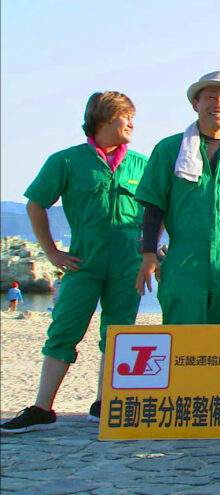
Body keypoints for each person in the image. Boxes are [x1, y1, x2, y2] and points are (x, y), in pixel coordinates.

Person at [1, 91, 147, 433]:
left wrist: (152, 254)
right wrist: (51, 251)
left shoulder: (143, 164)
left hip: (128, 264)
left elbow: (160, 209)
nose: (132, 124)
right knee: (64, 330)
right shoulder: (65, 161)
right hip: (83, 262)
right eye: (127, 117)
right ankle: (42, 408)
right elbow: (36, 204)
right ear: (106, 118)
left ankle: (105, 403)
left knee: (119, 333)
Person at [135, 71, 220, 324]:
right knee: (182, 332)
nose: (218, 105)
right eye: (211, 97)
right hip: (185, 255)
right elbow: (154, 205)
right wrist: (149, 252)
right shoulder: (170, 149)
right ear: (196, 103)